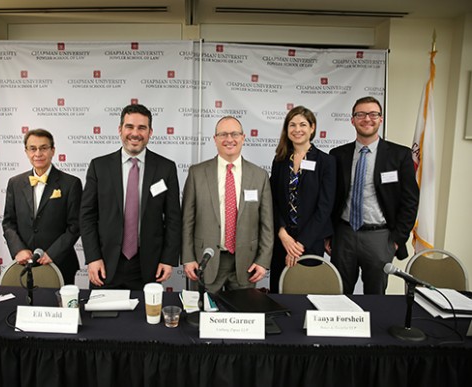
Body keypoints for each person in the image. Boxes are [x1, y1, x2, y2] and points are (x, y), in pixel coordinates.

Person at [80, 104, 181, 290]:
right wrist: (93, 258)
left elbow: (174, 219)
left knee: (146, 318)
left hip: (149, 266)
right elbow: (87, 217)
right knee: (102, 319)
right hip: (105, 265)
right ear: (120, 130)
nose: (135, 133)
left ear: (150, 132)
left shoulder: (166, 168)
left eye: (142, 128)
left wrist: (168, 259)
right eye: (129, 127)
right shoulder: (99, 166)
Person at [326, 96, 419, 294]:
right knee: (339, 294)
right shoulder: (337, 154)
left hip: (380, 238)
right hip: (344, 236)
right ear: (352, 120)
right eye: (360, 114)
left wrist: (396, 239)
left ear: (381, 119)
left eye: (373, 114)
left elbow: (410, 201)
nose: (367, 119)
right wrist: (328, 235)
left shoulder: (399, 155)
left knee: (376, 297)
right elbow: (329, 198)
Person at [182, 116, 273, 293]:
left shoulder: (259, 176)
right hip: (206, 261)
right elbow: (187, 221)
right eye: (223, 134)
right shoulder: (197, 173)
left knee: (242, 318)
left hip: (246, 264)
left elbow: (267, 224)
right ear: (215, 139)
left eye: (234, 134)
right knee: (204, 317)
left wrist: (263, 261)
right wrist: (188, 258)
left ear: (243, 137)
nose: (229, 139)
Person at [269, 106, 336, 293]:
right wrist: (283, 235)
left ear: (312, 128)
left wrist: (300, 244)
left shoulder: (326, 162)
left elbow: (325, 207)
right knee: (279, 293)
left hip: (311, 242)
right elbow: (272, 200)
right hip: (282, 242)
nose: (297, 129)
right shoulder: (280, 161)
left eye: (302, 124)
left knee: (307, 293)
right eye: (292, 125)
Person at [2, 129, 82, 285]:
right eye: (33, 148)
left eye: (44, 148)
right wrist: (18, 249)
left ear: (53, 151)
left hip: (60, 262)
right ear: (26, 151)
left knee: (60, 307)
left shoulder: (71, 183)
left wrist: (52, 253)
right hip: (24, 263)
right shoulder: (15, 183)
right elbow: (8, 222)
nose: (38, 153)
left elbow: (75, 225)